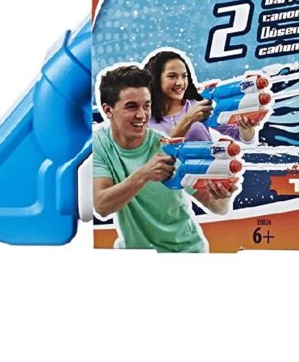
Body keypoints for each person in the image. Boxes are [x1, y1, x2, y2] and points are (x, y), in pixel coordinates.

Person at [92, 65, 233, 253]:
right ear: (108, 110)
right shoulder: (99, 144)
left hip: (186, 252)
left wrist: (223, 194)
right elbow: (101, 207)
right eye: (131, 106)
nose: (142, 115)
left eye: (146, 106)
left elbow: (217, 207)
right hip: (134, 253)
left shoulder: (167, 145)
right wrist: (144, 174)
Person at [144, 49, 257, 144]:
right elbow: (154, 155)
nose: (180, 83)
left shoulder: (197, 105)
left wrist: (246, 127)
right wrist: (188, 120)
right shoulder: (144, 118)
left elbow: (241, 136)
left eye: (184, 76)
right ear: (156, 79)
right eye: (172, 76)